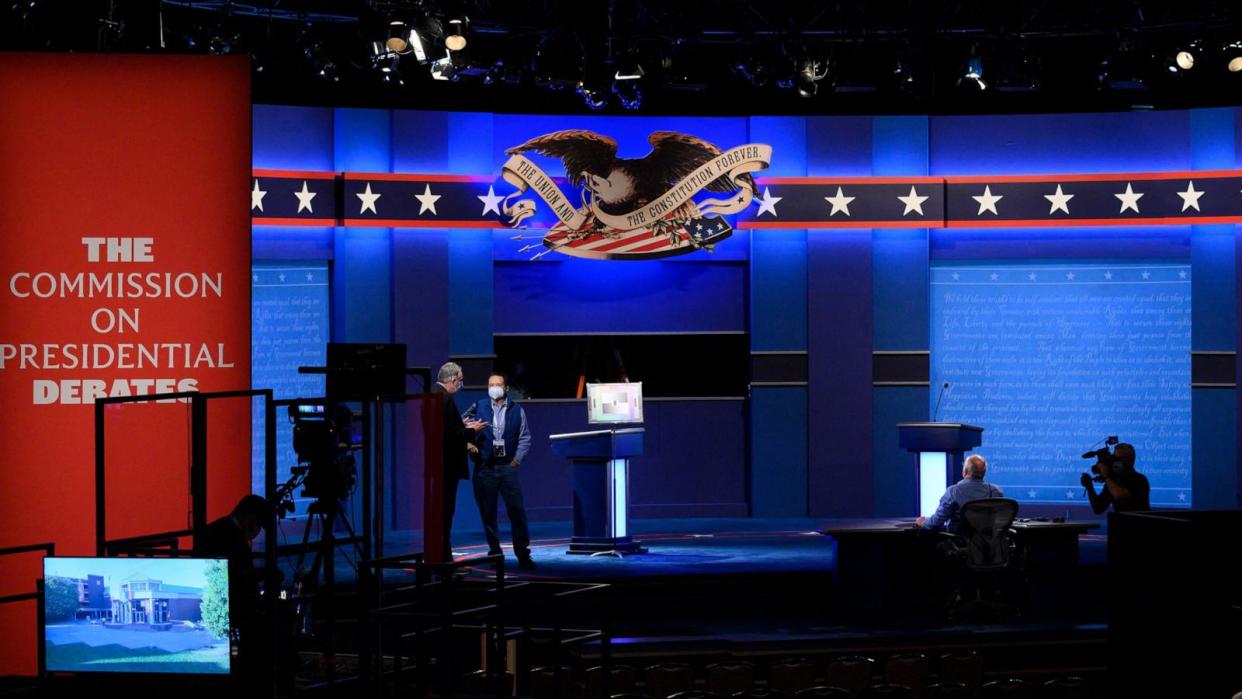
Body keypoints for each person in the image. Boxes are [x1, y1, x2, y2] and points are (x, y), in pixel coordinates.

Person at [465, 372, 535, 570]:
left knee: (517, 512)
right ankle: (495, 553)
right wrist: (469, 444)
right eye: (490, 384)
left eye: (498, 384)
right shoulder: (478, 407)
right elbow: (458, 427)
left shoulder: (517, 410)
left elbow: (525, 437)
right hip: (485, 468)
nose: (494, 387)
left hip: (507, 468)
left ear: (505, 388)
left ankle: (523, 553)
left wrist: (516, 460)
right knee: (488, 513)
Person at [433, 362, 487, 557]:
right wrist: (472, 429)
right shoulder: (445, 398)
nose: (460, 385)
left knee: (442, 513)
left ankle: (442, 555)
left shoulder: (433, 395)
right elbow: (450, 433)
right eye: (460, 381)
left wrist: (461, 424)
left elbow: (446, 426)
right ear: (453, 380)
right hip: (447, 466)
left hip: (438, 465)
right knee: (446, 512)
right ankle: (444, 558)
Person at [915, 454, 1005, 533]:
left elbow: (936, 522)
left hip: (958, 544)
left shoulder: (953, 492)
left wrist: (924, 522)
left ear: (965, 471)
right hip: (987, 546)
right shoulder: (995, 492)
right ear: (984, 473)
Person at [1081, 442, 1150, 513]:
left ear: (1130, 460)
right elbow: (1098, 508)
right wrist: (1089, 487)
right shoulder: (1114, 481)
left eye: (1119, 458)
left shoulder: (1140, 480)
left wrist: (1106, 476)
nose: (1115, 461)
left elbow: (1119, 496)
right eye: (1114, 458)